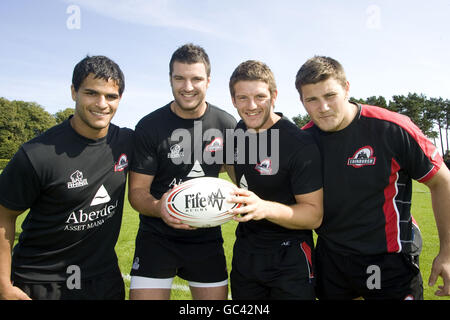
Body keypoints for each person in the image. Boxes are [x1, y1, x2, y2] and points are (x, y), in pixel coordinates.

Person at [295, 55, 450, 300]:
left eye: (330, 96)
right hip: (332, 260)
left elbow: (442, 182)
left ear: (346, 89)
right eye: (311, 99)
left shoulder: (391, 128)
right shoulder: (303, 142)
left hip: (389, 261)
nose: (322, 107)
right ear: (302, 101)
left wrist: (447, 253)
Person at [0, 55, 133, 300]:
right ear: (74, 92)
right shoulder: (36, 153)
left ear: (120, 99)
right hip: (41, 282)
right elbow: (3, 216)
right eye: (91, 93)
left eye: (111, 96)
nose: (102, 103)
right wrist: (3, 286)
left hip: (104, 281)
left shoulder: (127, 142)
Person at [128, 43, 237, 300]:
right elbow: (137, 192)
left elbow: (240, 179)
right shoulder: (149, 126)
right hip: (156, 236)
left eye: (196, 79)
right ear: (170, 79)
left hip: (207, 237)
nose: (188, 87)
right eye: (180, 78)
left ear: (208, 81)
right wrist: (160, 208)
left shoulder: (226, 124)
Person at [226, 60, 323, 300]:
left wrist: (263, 207)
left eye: (260, 96)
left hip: (290, 257)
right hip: (245, 253)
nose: (251, 106)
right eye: (242, 98)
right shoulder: (237, 132)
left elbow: (314, 215)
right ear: (233, 100)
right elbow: (232, 166)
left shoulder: (298, 143)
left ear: (274, 96)